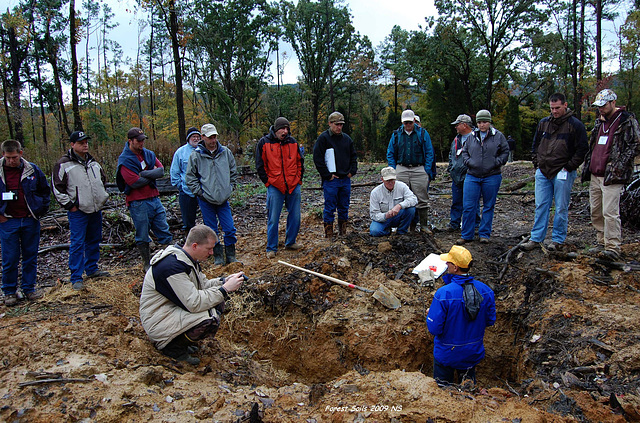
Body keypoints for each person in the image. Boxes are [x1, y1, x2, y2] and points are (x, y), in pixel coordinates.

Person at [139, 225, 245, 365]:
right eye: (209, 249)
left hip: (169, 312)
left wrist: (225, 281)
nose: (212, 253)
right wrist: (224, 290)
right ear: (195, 245)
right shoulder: (171, 267)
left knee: (216, 302)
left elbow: (203, 285)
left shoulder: (186, 259)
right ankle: (171, 348)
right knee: (209, 318)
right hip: (157, 321)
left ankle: (181, 342)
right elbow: (194, 303)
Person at [522, 93, 588, 251]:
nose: (554, 111)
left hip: (563, 171)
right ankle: (536, 238)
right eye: (552, 108)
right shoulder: (543, 123)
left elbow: (582, 149)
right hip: (543, 171)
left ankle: (557, 239)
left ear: (565, 105)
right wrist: (536, 162)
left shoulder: (575, 125)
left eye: (557, 108)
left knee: (560, 207)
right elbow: (535, 144)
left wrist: (570, 166)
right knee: (541, 205)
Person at [581, 89, 640, 260]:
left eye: (604, 105)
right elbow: (593, 144)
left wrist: (620, 164)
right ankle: (601, 241)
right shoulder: (599, 122)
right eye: (599, 106)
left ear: (613, 102)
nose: (601, 108)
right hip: (595, 173)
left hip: (613, 175)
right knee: (596, 210)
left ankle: (613, 246)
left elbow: (635, 144)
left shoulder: (626, 121)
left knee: (610, 211)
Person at [426, 245, 496, 386]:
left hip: (447, 353)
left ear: (455, 267)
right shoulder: (486, 291)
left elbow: (434, 329)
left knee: (442, 390)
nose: (446, 264)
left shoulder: (444, 294)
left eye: (449, 262)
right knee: (468, 388)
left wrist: (431, 314)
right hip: (472, 352)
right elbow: (490, 320)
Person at [52, 131, 110, 291]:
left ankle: (92, 269)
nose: (85, 145)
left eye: (86, 142)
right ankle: (76, 277)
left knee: (94, 239)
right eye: (80, 142)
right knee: (77, 243)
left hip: (95, 208)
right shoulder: (64, 164)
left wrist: (101, 198)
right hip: (78, 211)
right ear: (72, 145)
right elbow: (57, 189)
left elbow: (102, 181)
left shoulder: (93, 163)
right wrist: (71, 205)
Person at [0, 140, 50, 306]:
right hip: (8, 221)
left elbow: (45, 190)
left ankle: (29, 288)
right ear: (3, 155)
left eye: (14, 157)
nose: (12, 161)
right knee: (10, 258)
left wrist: (39, 210)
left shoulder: (32, 169)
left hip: (30, 220)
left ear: (21, 153)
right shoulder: (0, 171)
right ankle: (9, 291)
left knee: (30, 256)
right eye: (8, 158)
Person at [116, 127, 173, 272]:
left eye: (143, 140)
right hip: (138, 202)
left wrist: (143, 174)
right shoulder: (125, 160)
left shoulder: (148, 154)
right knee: (142, 234)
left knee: (163, 229)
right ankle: (147, 264)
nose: (142, 143)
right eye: (138, 141)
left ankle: (171, 260)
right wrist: (150, 175)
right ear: (130, 141)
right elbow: (134, 182)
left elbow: (160, 171)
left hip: (154, 198)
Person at [186, 123, 239, 265]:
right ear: (203, 137)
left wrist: (230, 187)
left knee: (229, 228)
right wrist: (200, 193)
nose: (213, 140)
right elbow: (190, 177)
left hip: (223, 199)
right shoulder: (196, 156)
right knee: (211, 230)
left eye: (214, 136)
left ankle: (231, 255)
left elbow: (233, 171)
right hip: (206, 200)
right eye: (209, 137)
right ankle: (218, 256)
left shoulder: (225, 152)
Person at [255, 117, 304, 258]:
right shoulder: (264, 143)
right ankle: (271, 247)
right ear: (276, 129)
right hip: (275, 186)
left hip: (293, 185)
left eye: (287, 129)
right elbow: (260, 165)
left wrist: (298, 180)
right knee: (273, 218)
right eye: (282, 128)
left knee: (295, 216)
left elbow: (300, 162)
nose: (285, 131)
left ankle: (291, 242)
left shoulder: (293, 142)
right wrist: (268, 182)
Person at [458, 110, 509, 244]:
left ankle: (484, 234)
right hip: (472, 175)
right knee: (469, 206)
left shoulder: (498, 136)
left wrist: (496, 163)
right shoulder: (471, 136)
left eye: (484, 122)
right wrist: (469, 163)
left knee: (488, 205)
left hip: (492, 175)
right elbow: (465, 153)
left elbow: (505, 152)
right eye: (480, 122)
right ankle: (466, 234)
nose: (482, 125)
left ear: (489, 122)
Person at [387, 109, 435, 233]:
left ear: (414, 120)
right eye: (405, 123)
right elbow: (390, 153)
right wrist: (393, 169)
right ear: (402, 122)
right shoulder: (396, 134)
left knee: (422, 198)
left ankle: (423, 225)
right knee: (399, 197)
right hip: (401, 168)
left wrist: (427, 170)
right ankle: (402, 225)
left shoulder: (423, 133)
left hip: (419, 168)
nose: (408, 125)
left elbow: (430, 152)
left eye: (410, 122)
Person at [313, 111, 357, 237]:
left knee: (344, 206)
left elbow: (353, 156)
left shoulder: (347, 139)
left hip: (345, 179)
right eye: (336, 124)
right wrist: (327, 175)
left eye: (341, 124)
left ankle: (343, 232)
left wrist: (352, 171)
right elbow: (318, 158)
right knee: (330, 207)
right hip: (331, 180)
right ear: (330, 123)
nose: (339, 127)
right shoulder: (323, 138)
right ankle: (329, 234)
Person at [447, 114, 476, 232]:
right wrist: (451, 168)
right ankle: (454, 224)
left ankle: (475, 225)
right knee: (456, 201)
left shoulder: (476, 138)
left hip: (471, 175)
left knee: (472, 203)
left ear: (465, 125)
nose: (455, 127)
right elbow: (451, 154)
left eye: (457, 125)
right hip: (456, 176)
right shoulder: (456, 139)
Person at [369, 166, 417, 236]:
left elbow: (414, 199)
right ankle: (387, 232)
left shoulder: (402, 186)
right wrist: (386, 215)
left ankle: (401, 232)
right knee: (375, 231)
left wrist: (400, 205)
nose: (390, 183)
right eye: (387, 180)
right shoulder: (375, 192)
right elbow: (374, 215)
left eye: (392, 180)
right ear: (382, 179)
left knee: (411, 209)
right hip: (384, 219)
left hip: (398, 216)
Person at [170, 127, 201, 234]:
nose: (196, 139)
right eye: (193, 137)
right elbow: (174, 171)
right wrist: (180, 186)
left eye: (198, 136)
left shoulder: (203, 150)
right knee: (188, 219)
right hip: (187, 190)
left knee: (208, 217)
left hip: (204, 190)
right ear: (188, 138)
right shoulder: (180, 152)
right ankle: (189, 237)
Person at [415, 114, 437, 194]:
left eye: (416, 122)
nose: (414, 124)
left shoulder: (424, 134)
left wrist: (427, 170)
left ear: (420, 124)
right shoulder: (400, 135)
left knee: (422, 194)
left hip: (423, 169)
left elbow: (430, 154)